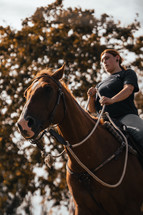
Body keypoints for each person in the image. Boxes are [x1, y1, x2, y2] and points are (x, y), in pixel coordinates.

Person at [87, 48, 143, 148]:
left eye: (107, 58)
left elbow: (128, 89)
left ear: (117, 58)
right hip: (105, 121)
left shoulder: (127, 73)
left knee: (141, 133)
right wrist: (91, 98)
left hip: (126, 117)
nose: (104, 62)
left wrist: (112, 100)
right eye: (102, 61)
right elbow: (92, 110)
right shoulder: (99, 85)